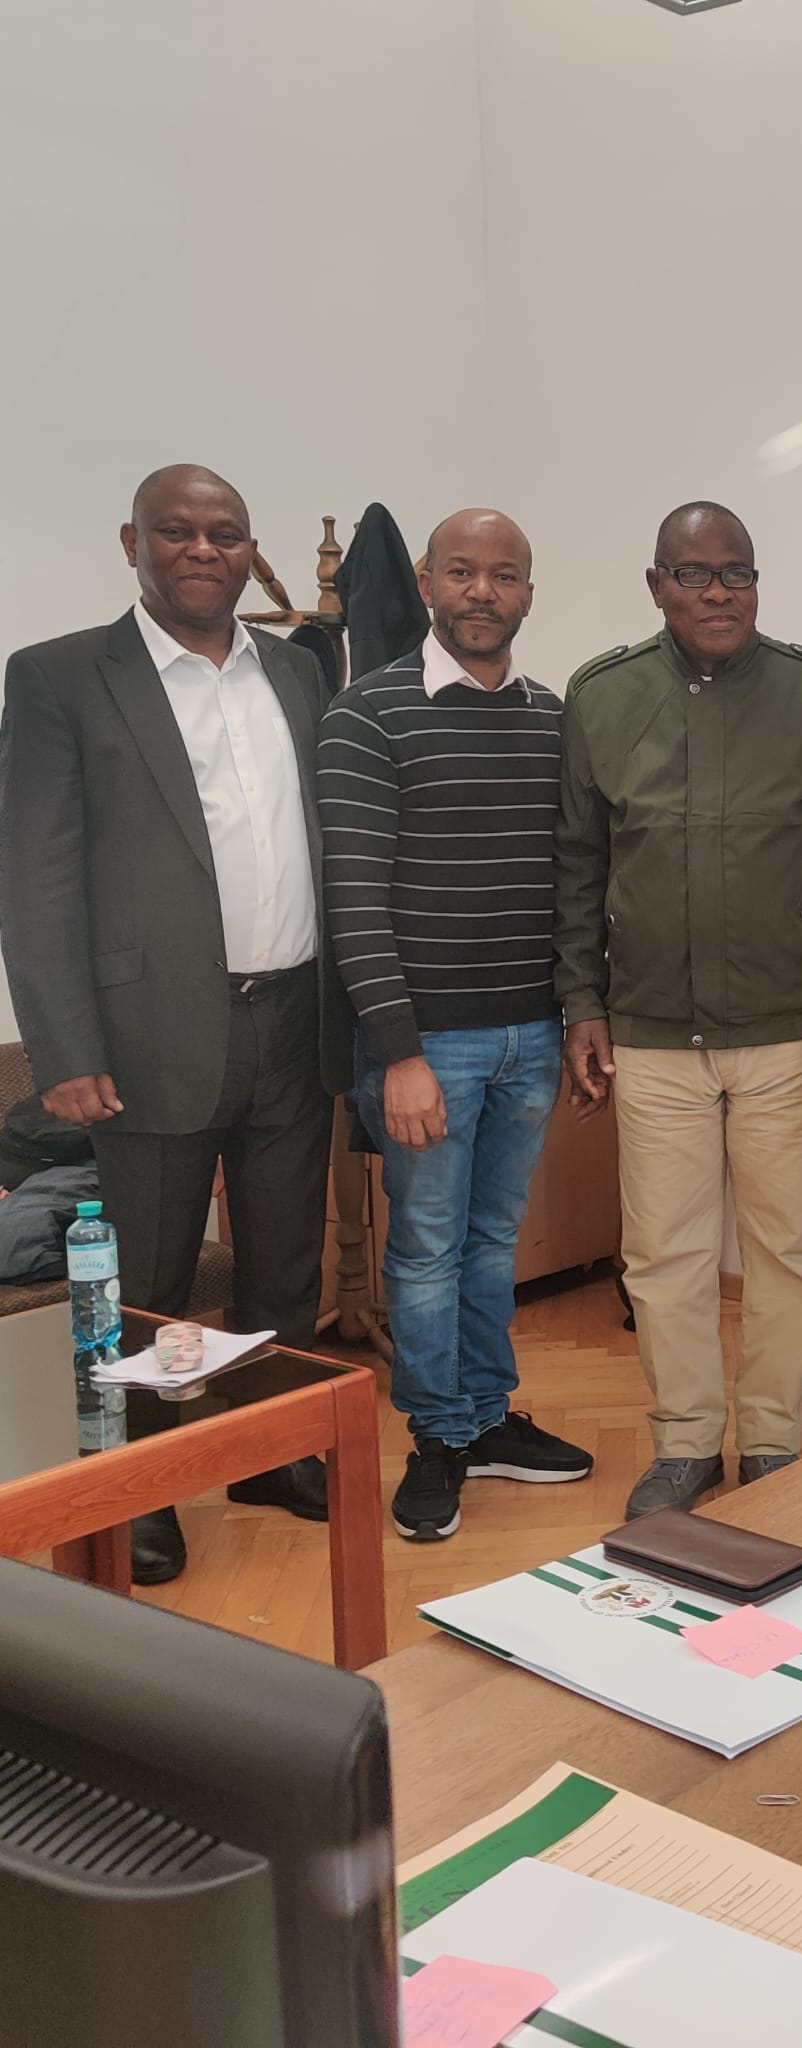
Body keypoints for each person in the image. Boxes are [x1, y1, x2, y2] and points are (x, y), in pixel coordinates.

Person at [0, 464, 347, 1583]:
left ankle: (271, 1454)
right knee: (142, 1280)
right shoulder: (59, 675)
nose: (203, 550)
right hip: (146, 1032)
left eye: (226, 533)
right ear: (132, 542)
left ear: (251, 551)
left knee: (283, 1264)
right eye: (178, 531)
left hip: (292, 1012)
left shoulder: (297, 668)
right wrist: (64, 1049)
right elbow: (35, 876)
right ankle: (136, 1485)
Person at [556, 501, 802, 1517]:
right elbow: (578, 865)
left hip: (788, 1030)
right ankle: (685, 1446)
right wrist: (581, 1001)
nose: (718, 592)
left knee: (791, 1250)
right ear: (657, 585)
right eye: (693, 574)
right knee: (665, 1254)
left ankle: (774, 1443)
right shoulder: (601, 698)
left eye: (737, 572)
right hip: (651, 1035)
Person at [318, 508, 592, 1541]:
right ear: (427, 582)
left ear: (529, 594)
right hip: (427, 1045)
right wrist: (398, 1054)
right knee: (427, 1249)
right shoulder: (365, 715)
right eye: (462, 571)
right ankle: (436, 1434)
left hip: (530, 1036)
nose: (483, 591)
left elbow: (572, 880)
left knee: (490, 1244)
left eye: (505, 574)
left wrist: (574, 1014)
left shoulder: (553, 717)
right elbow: (354, 900)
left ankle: (485, 1416)